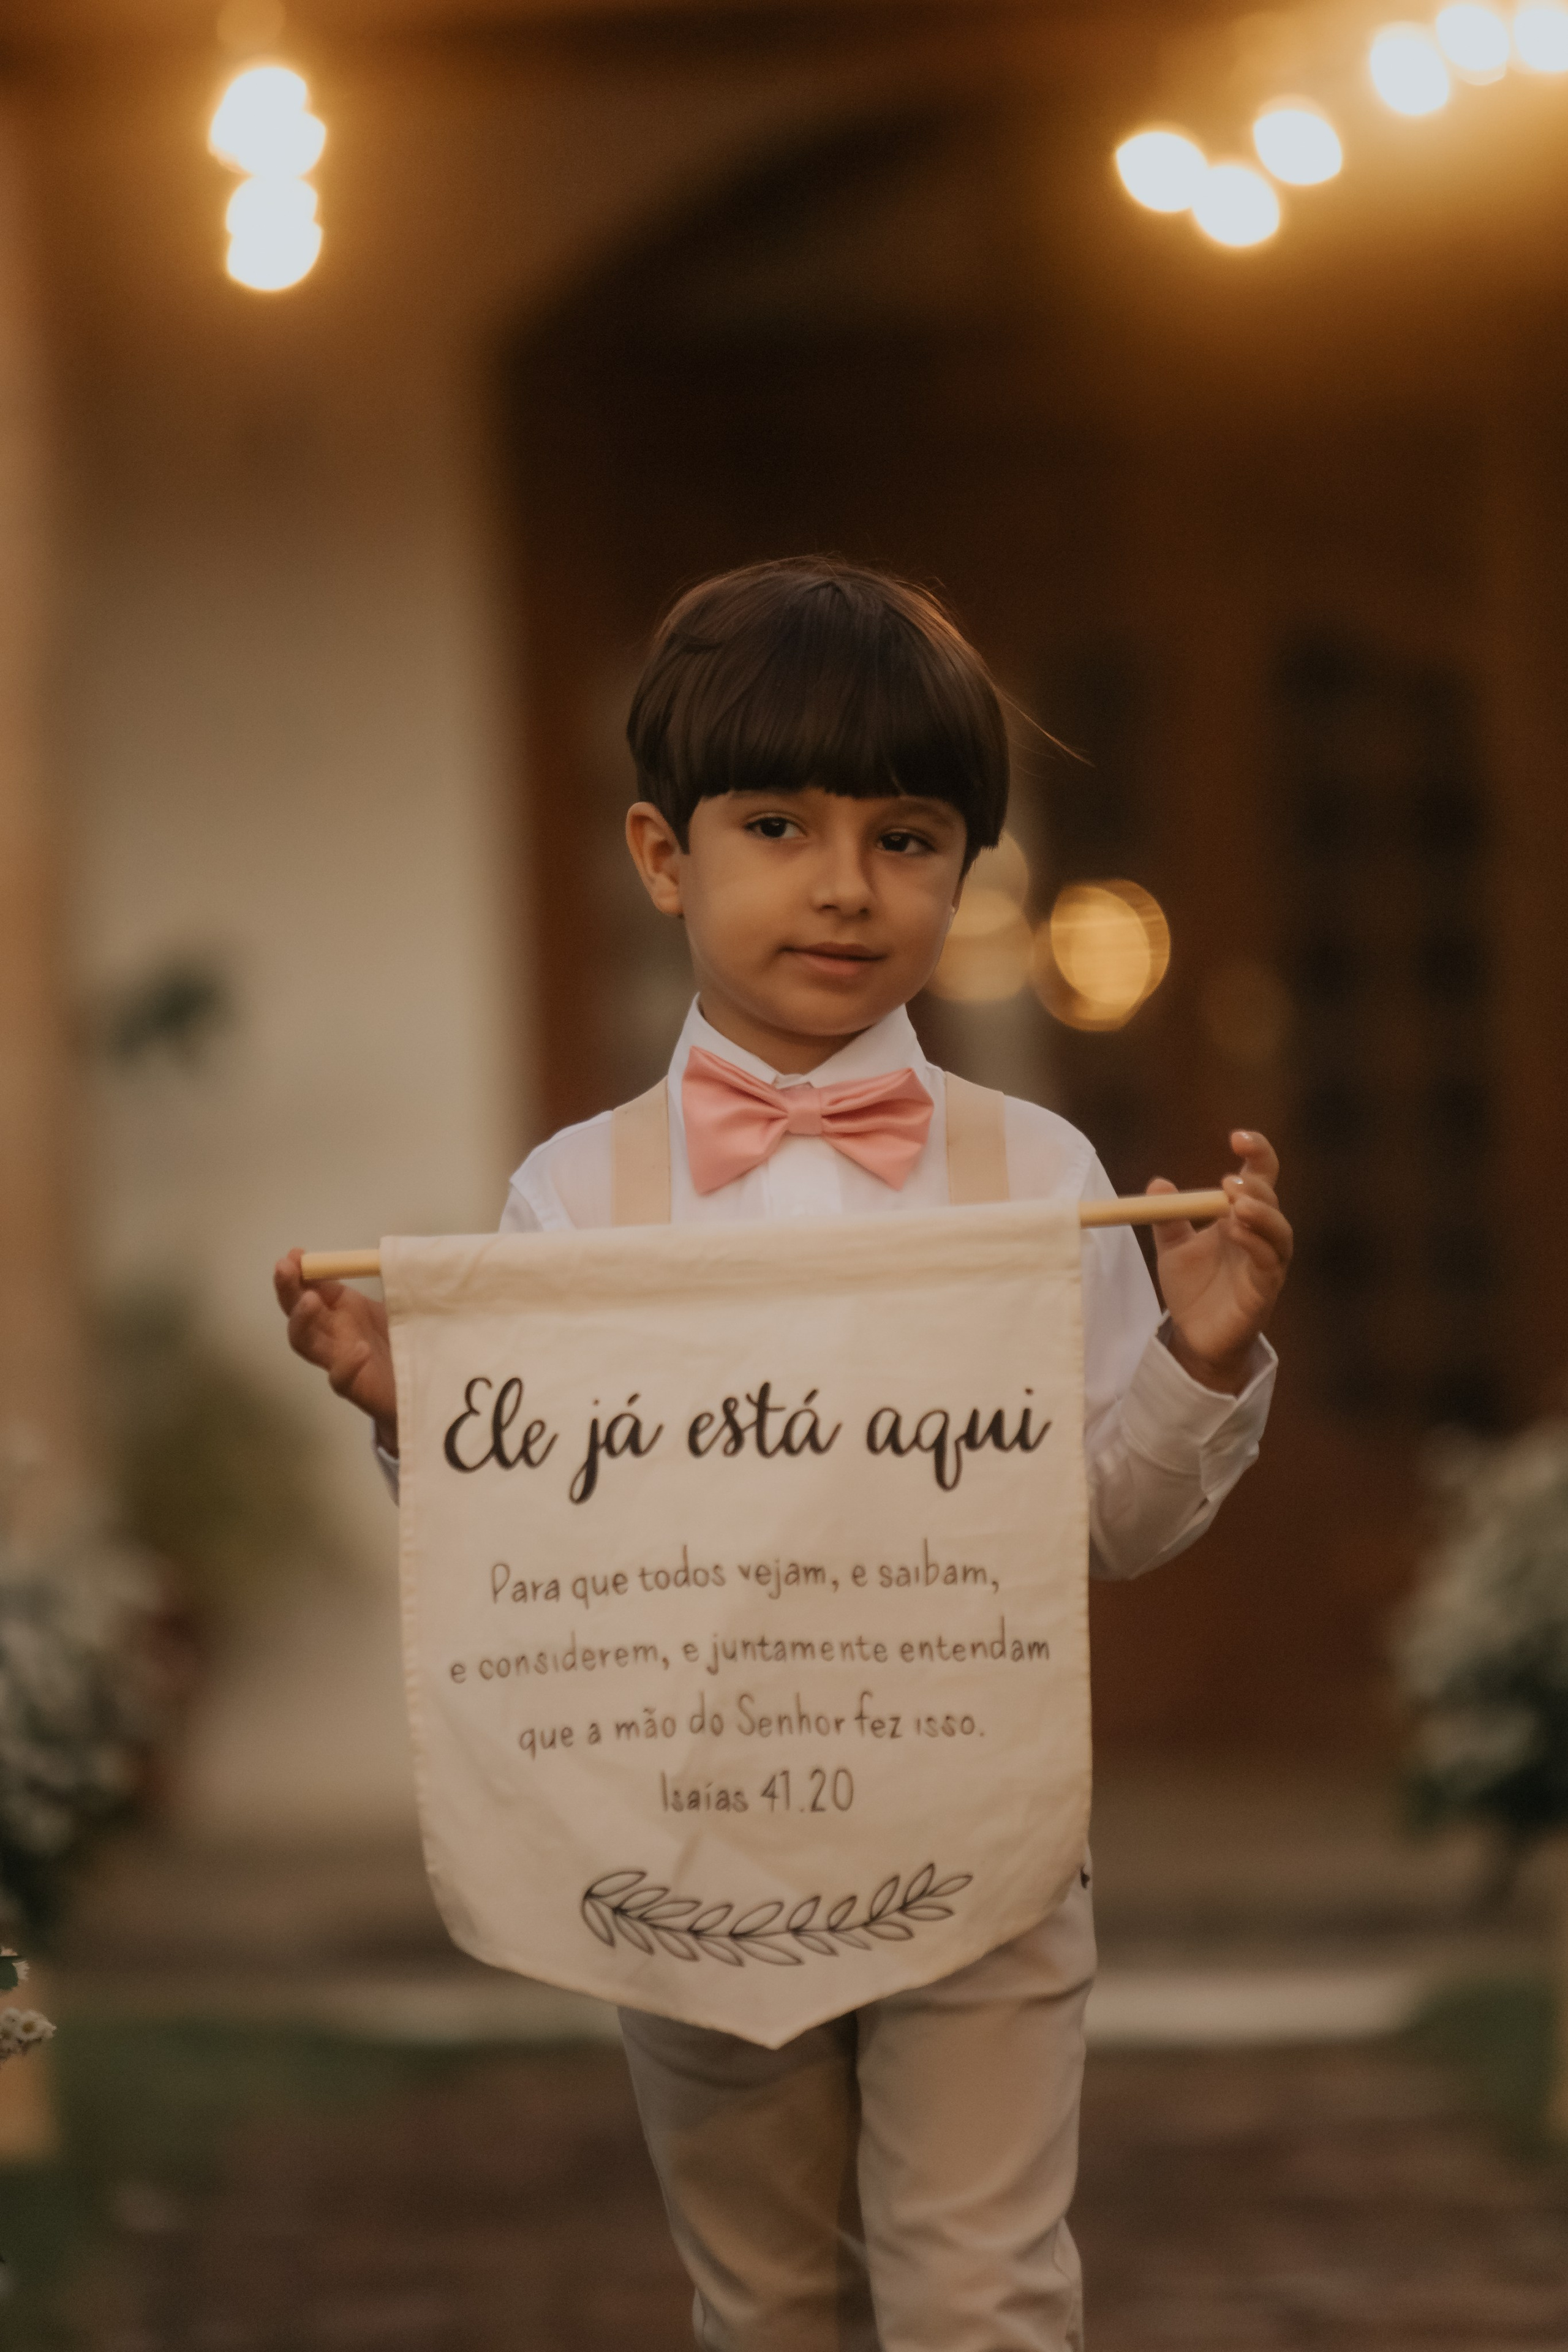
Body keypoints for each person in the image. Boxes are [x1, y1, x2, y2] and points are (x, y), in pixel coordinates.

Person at [275, 557, 1291, 2352]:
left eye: (907, 836)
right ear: (666, 857)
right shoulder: (570, 1198)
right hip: (696, 1854)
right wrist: (409, 1411)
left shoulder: (1043, 1176)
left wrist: (1199, 1354)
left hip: (979, 1831)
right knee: (760, 2301)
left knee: (984, 2290)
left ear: (969, 866)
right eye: (778, 823)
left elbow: (1111, 1529)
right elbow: (546, 1558)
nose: (844, 885)